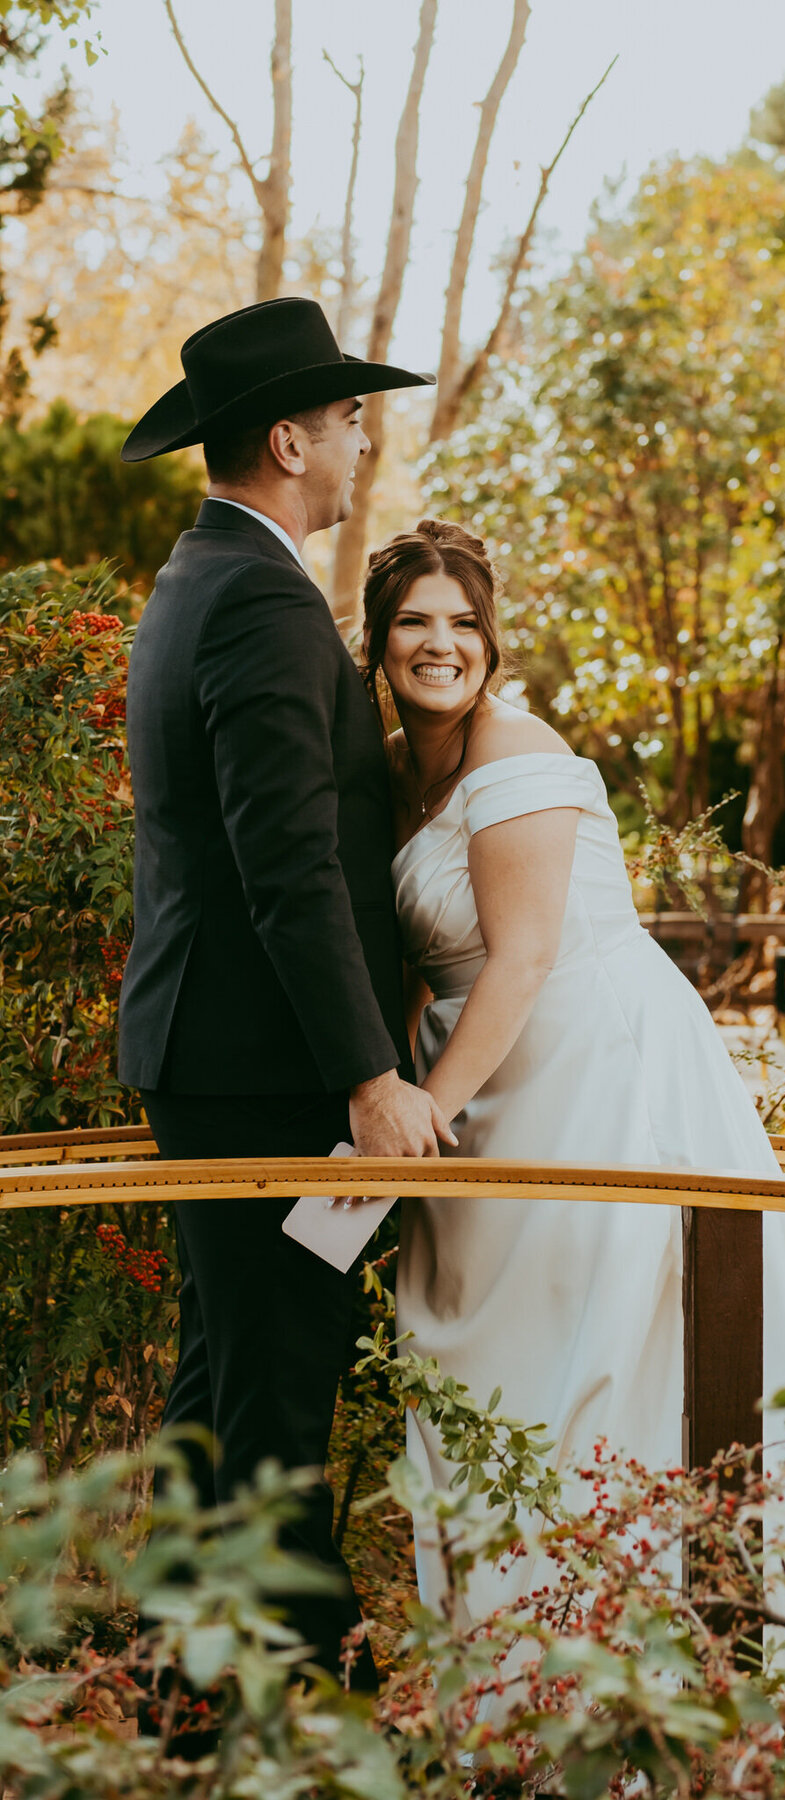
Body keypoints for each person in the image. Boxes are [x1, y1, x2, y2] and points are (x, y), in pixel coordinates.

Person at [363, 519, 785, 1624]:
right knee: (492, 1361)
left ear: (493, 640)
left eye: (465, 624)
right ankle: (521, 1662)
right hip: (473, 1084)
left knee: (615, 1348)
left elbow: (524, 956)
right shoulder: (392, 773)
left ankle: (659, 1655)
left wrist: (419, 1118)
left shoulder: (515, 754)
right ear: (379, 641)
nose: (441, 646)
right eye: (414, 624)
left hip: (594, 1073)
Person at [117, 298, 454, 1690]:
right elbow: (289, 865)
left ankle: (177, 1689)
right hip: (266, 1068)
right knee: (273, 1395)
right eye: (346, 415)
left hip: (214, 1052)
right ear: (286, 440)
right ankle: (302, 1706)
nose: (360, 435)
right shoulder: (255, 596)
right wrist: (371, 1073)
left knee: (226, 1382)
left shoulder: (201, 575)